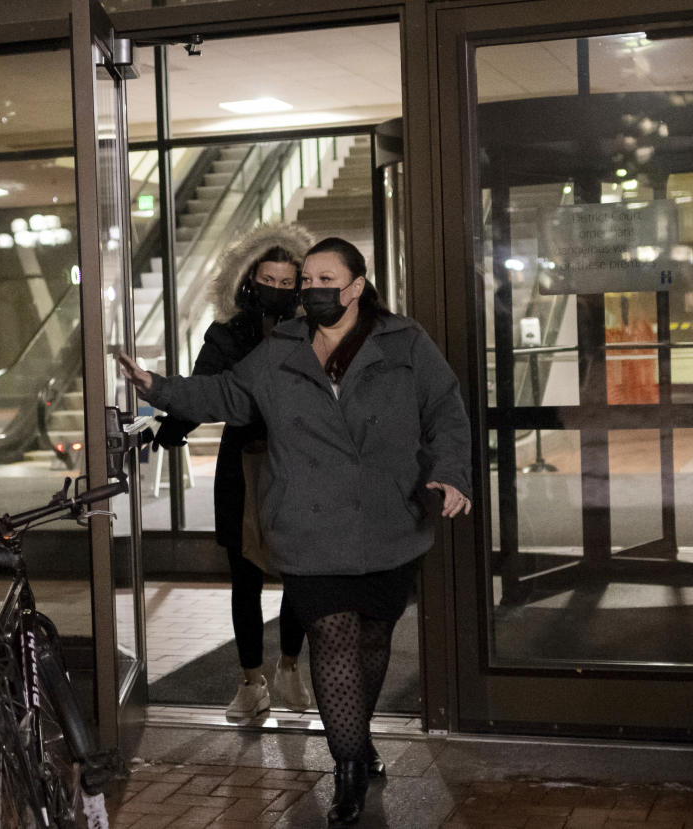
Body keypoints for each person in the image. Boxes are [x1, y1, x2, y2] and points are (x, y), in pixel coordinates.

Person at [119, 237, 472, 826]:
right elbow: (227, 394)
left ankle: (354, 740)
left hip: (389, 517)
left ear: (356, 287)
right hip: (309, 524)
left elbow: (446, 413)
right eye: (306, 280)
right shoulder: (281, 346)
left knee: (371, 642)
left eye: (324, 279)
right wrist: (159, 387)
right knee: (330, 635)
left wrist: (452, 475)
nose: (311, 290)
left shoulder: (404, 342)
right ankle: (349, 767)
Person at [153, 223, 314, 718]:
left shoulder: (314, 331)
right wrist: (173, 425)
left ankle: (289, 667)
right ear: (249, 279)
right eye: (270, 279)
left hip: (300, 463)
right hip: (243, 464)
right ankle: (250, 681)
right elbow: (206, 389)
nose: (279, 290)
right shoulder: (226, 334)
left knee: (302, 572)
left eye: (289, 283)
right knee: (244, 575)